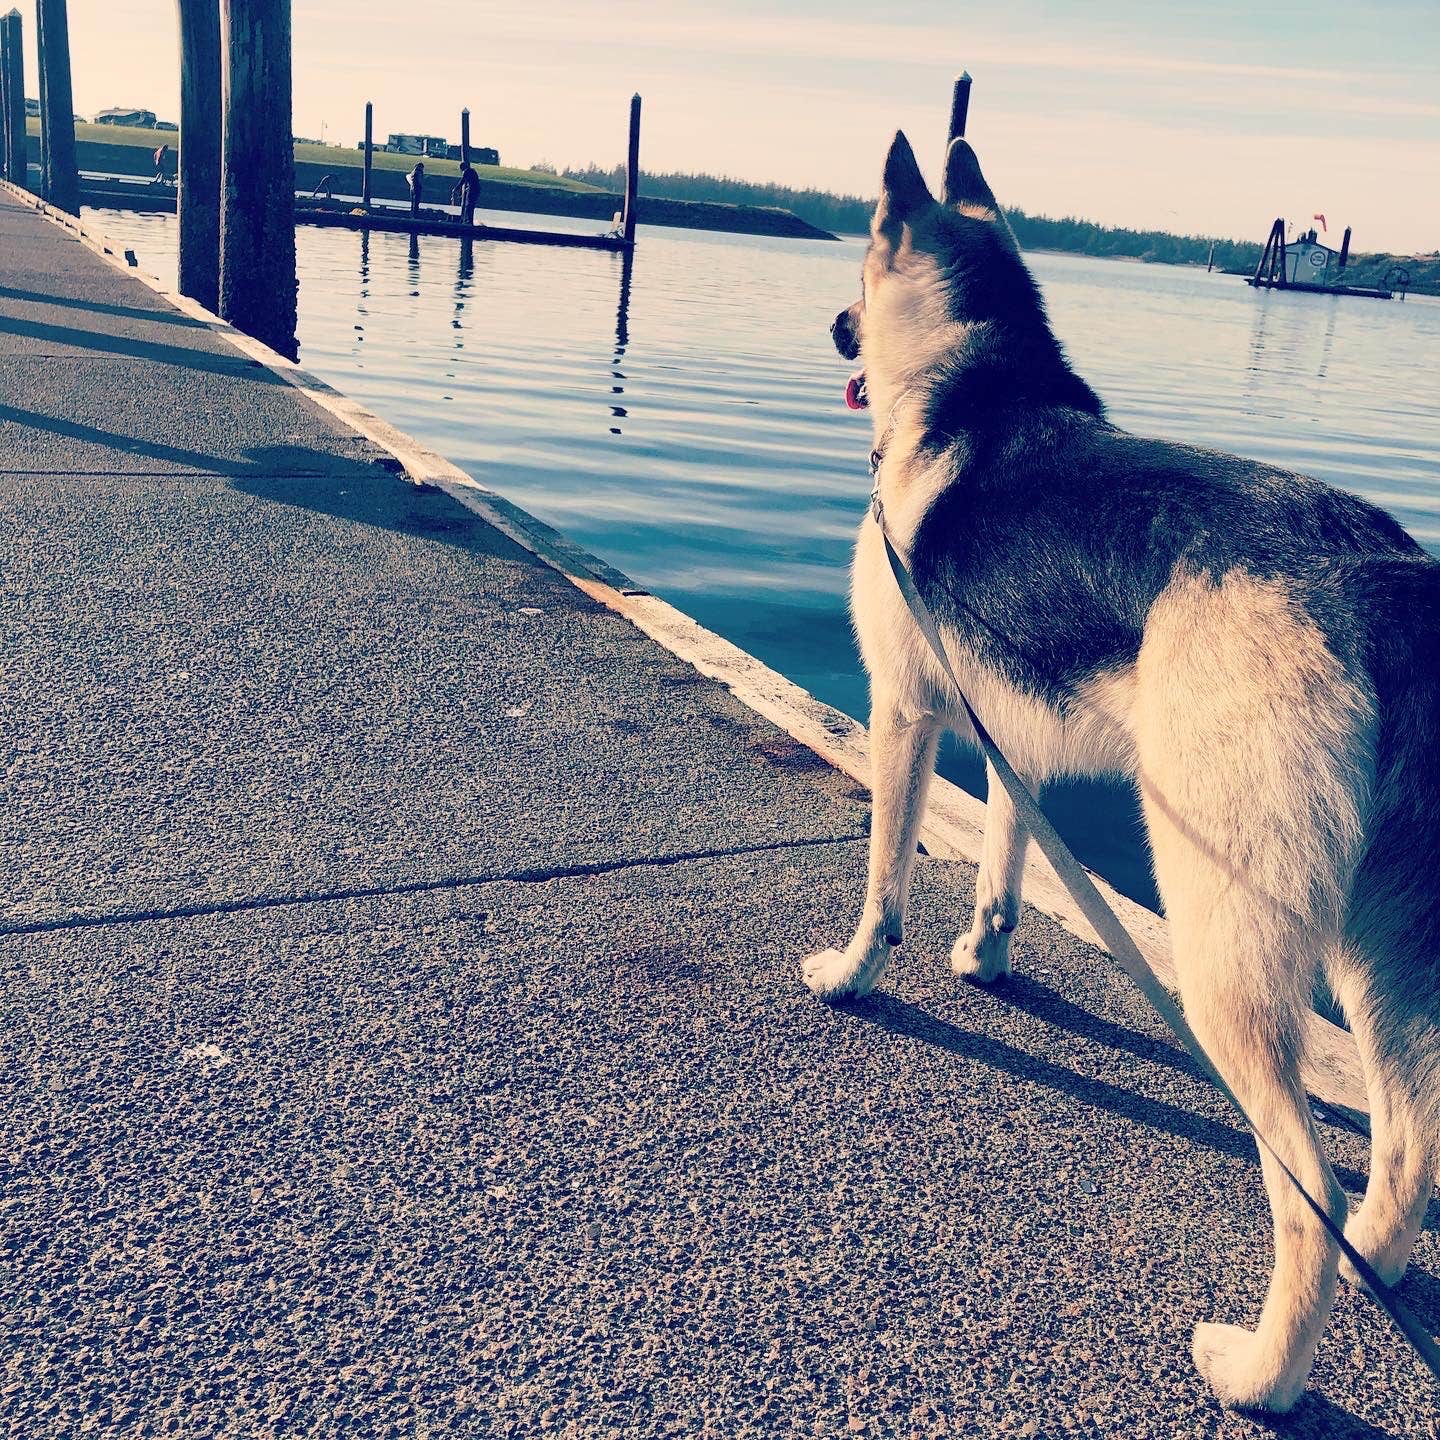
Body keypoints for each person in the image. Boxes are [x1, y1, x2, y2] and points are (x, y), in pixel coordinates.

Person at [451, 160, 481, 227]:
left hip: (473, 190)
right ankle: (469, 221)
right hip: (476, 189)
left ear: (463, 168)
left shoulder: (466, 171)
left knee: (469, 205)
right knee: (471, 205)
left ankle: (469, 222)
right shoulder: (473, 171)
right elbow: (474, 181)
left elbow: (462, 181)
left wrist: (455, 189)